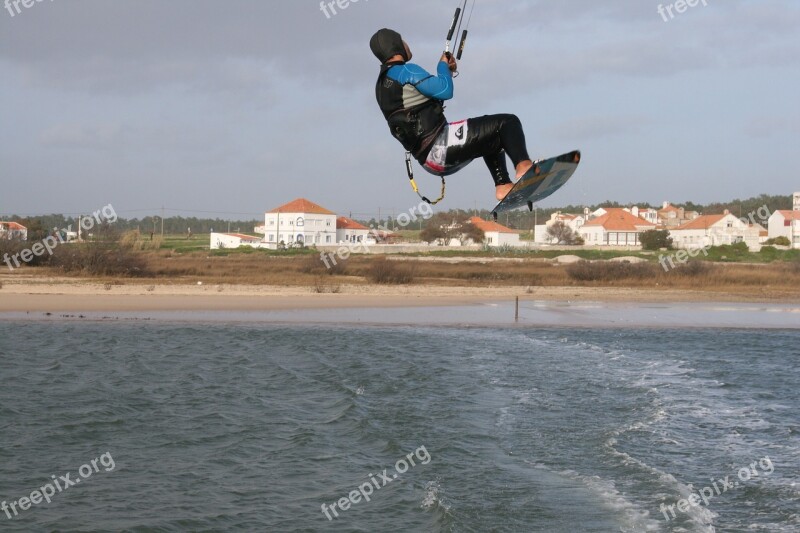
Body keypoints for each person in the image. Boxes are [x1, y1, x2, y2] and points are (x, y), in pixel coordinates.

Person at [370, 28, 536, 201]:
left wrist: (447, 71)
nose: (407, 44)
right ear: (396, 45)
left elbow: (422, 101)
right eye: (403, 40)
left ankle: (503, 185)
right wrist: (442, 66)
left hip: (428, 161)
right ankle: (524, 165)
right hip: (441, 146)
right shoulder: (406, 71)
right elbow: (445, 90)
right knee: (507, 123)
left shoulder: (381, 87)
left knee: (492, 137)